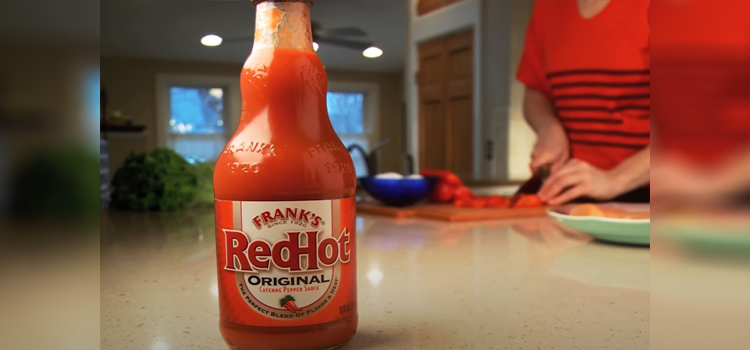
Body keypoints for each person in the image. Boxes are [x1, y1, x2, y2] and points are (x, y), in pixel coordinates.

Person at [517, 0, 650, 206]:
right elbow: (536, 92)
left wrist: (615, 179)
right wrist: (549, 128)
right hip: (567, 188)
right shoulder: (547, 7)